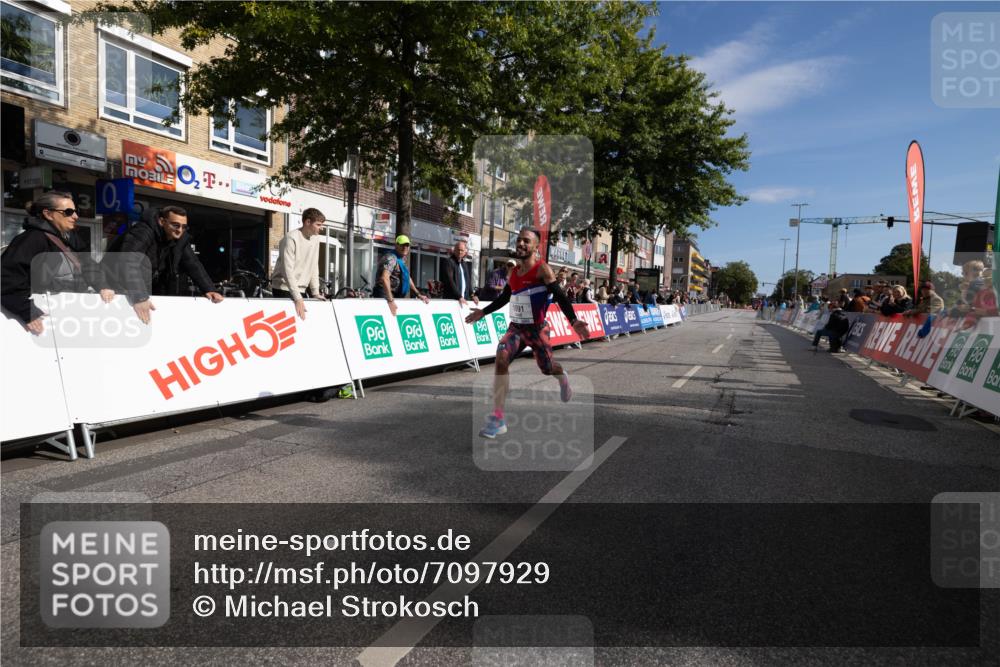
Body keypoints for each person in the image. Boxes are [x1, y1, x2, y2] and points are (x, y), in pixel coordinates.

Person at [465, 228, 589, 439]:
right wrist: (483, 312)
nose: (521, 244)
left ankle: (562, 377)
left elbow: (559, 296)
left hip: (538, 330)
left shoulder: (543, 270)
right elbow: (505, 298)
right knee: (501, 358)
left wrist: (574, 320)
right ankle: (498, 418)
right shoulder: (514, 272)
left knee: (548, 368)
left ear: (535, 246)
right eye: (519, 240)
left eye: (526, 241)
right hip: (516, 328)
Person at [1, 191, 114, 334]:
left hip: (70, 318)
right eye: (68, 212)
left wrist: (102, 285)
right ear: (48, 214)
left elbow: (88, 264)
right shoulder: (32, 239)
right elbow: (6, 279)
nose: (75, 216)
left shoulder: (71, 238)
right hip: (44, 321)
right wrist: (27, 311)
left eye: (75, 211)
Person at [102, 205, 222, 325]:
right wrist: (139, 297)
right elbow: (128, 261)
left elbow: (192, 263)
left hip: (146, 288)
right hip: (115, 287)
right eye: (175, 225)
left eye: (184, 227)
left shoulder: (180, 238)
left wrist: (209, 289)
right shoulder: (143, 231)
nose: (180, 230)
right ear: (161, 221)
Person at [271, 207, 326, 320]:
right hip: (283, 288)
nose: (321, 228)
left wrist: (315, 292)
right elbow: (287, 270)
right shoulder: (291, 238)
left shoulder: (316, 240)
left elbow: (314, 266)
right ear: (307, 222)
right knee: (288, 324)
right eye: (318, 224)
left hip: (300, 289)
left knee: (301, 322)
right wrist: (297, 298)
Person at [373, 235, 430, 316]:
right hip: (385, 295)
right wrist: (390, 300)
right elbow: (384, 278)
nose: (405, 247)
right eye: (402, 245)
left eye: (407, 245)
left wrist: (418, 294)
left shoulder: (402, 258)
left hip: (394, 295)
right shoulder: (391, 258)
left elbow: (407, 278)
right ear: (396, 245)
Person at [441, 239, 479, 307]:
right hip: (452, 300)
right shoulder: (449, 262)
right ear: (454, 250)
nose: (460, 252)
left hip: (463, 300)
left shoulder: (464, 264)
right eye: (458, 250)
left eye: (462, 250)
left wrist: (473, 295)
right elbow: (450, 281)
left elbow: (468, 282)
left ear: (465, 252)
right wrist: (459, 296)